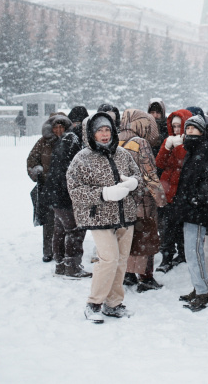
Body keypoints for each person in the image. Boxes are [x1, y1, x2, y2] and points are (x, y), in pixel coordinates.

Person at [68, 112, 143, 322]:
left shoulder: (123, 154)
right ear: (91, 133)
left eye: (107, 129)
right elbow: (74, 191)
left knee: (120, 262)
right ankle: (93, 304)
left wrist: (134, 183)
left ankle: (114, 303)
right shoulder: (81, 158)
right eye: (99, 130)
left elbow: (138, 177)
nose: (104, 134)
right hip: (98, 218)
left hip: (125, 217)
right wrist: (103, 194)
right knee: (108, 260)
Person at [117, 109, 166, 292]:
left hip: (121, 200)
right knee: (146, 238)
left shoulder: (115, 140)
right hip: (142, 200)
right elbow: (149, 175)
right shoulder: (140, 143)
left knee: (126, 239)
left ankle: (127, 274)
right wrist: (161, 200)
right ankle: (146, 277)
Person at [173, 115, 208, 311]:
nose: (190, 132)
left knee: (195, 251)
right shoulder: (192, 150)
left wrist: (198, 200)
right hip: (189, 209)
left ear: (202, 131)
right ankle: (199, 287)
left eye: (194, 129)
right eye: (188, 129)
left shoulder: (205, 150)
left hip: (197, 211)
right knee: (191, 252)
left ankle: (203, 291)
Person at [44, 113, 91, 278]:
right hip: (64, 194)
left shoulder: (64, 140)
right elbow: (68, 170)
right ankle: (72, 266)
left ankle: (60, 265)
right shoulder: (72, 140)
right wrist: (73, 192)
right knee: (74, 230)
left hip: (55, 193)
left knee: (60, 229)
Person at [155, 109, 193, 273]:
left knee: (180, 226)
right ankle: (167, 257)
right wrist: (167, 146)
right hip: (169, 188)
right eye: (174, 126)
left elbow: (183, 162)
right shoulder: (168, 140)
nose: (177, 129)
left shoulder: (191, 141)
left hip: (183, 190)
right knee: (168, 226)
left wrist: (177, 147)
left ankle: (182, 253)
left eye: (179, 126)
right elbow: (160, 163)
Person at [26, 113, 67, 262]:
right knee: (49, 221)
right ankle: (49, 251)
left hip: (66, 189)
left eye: (61, 126)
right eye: (56, 126)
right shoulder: (43, 142)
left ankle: (64, 251)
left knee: (65, 221)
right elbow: (32, 160)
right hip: (48, 188)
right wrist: (38, 172)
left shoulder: (70, 141)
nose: (58, 130)